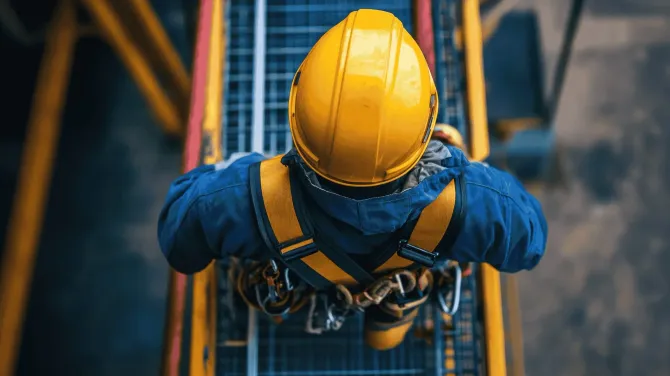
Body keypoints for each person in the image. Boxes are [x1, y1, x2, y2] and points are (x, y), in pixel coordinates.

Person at [158, 9, 547, 350]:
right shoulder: (477, 202)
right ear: (424, 126)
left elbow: (179, 236)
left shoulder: (241, 198)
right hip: (417, 258)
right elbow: (529, 241)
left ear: (299, 113)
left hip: (298, 284)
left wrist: (237, 174)